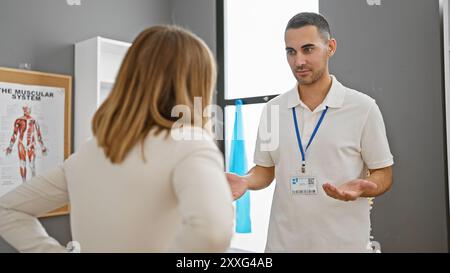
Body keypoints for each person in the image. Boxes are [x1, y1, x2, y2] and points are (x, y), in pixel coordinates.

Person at [0, 25, 234, 253]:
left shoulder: (90, 150)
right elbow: (212, 233)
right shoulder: (190, 143)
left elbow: (7, 209)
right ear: (198, 85)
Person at [227, 12, 394, 252]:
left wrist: (365, 186)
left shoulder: (363, 108)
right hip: (282, 246)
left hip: (344, 246)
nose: (299, 61)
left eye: (308, 49)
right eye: (291, 52)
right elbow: (265, 170)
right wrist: (245, 180)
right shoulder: (273, 110)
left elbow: (383, 172)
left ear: (330, 47)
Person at [5, 105, 47, 183]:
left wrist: (43, 147)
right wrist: (10, 147)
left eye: (28, 109)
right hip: (21, 144)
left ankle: (33, 182)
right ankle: (24, 183)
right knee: (22, 163)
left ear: (30, 110)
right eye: (25, 109)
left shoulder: (34, 120)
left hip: (31, 144)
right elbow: (15, 134)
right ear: (23, 110)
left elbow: (38, 134)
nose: (27, 110)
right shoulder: (18, 120)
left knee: (32, 165)